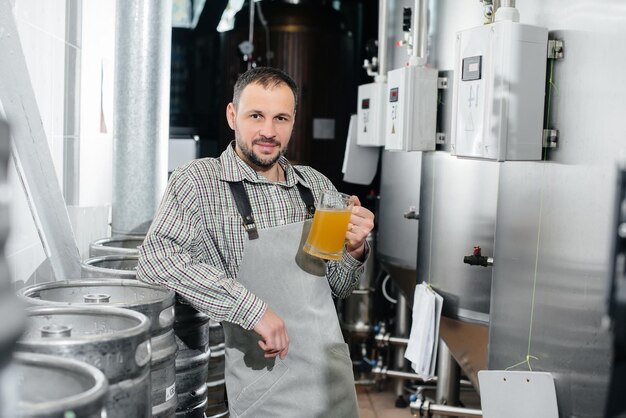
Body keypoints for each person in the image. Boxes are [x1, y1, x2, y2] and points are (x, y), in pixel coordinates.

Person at [137, 67, 375, 418]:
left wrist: (355, 249)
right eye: (256, 116)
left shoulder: (316, 187)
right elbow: (155, 259)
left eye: (281, 118)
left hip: (330, 379)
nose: (268, 131)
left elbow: (338, 286)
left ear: (294, 121)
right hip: (265, 383)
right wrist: (253, 310)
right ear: (232, 116)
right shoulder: (201, 183)